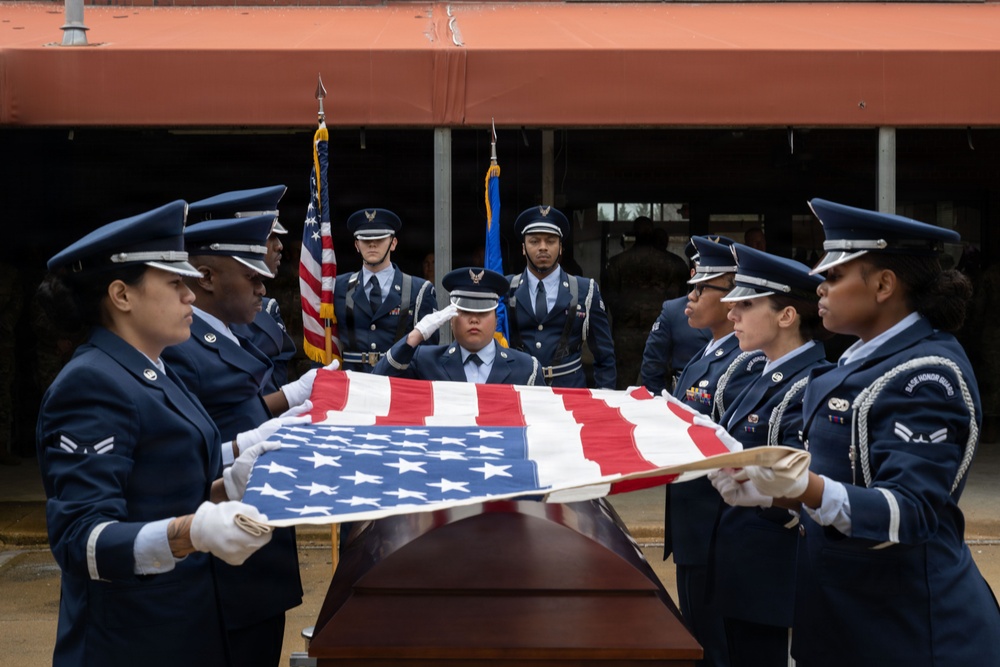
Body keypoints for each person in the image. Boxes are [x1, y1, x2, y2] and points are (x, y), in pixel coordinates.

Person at [735, 198, 1000, 666]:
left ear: (883, 285)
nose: (818, 283)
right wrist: (771, 491)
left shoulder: (925, 373)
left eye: (835, 276)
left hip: (906, 630)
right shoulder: (861, 360)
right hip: (847, 614)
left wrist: (809, 488)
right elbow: (841, 481)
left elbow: (914, 511)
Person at [35, 201, 276, 667]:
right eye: (174, 283)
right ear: (122, 295)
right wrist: (191, 531)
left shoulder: (154, 368)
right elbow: (80, 539)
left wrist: (226, 489)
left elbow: (157, 489)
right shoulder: (92, 383)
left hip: (184, 624)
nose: (190, 296)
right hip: (129, 642)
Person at [162, 214, 334, 667]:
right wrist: (249, 440)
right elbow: (182, 456)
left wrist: (285, 411)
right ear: (207, 277)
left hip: (254, 554)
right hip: (225, 560)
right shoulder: (182, 346)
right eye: (251, 275)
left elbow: (237, 408)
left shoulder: (227, 334)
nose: (263, 287)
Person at [706, 244, 830, 667]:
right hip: (746, 566)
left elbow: (803, 484)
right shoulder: (760, 370)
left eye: (746, 304)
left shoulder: (812, 383)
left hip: (776, 572)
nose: (732, 314)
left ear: (787, 316)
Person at [665, 235, 766, 667]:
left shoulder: (744, 362)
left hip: (714, 528)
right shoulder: (709, 351)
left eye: (702, 287)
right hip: (694, 524)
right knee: (702, 639)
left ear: (733, 299)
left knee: (717, 648)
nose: (690, 296)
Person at [188, 185, 298, 393]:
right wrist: (288, 398)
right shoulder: (212, 313)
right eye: (268, 235)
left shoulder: (264, 310)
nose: (279, 246)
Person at [506, 205, 616, 389]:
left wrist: (604, 396)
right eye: (534, 241)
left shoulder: (585, 290)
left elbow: (604, 355)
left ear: (561, 247)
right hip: (520, 390)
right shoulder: (506, 288)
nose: (543, 247)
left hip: (569, 392)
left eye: (550, 241)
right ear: (523, 248)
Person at [375, 267, 540, 384]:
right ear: (451, 318)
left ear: (496, 319)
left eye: (483, 312)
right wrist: (415, 335)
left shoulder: (526, 368)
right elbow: (378, 382)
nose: (474, 319)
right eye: (465, 311)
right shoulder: (425, 362)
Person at [334, 208, 438, 372]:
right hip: (352, 384)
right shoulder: (338, 287)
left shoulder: (418, 290)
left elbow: (427, 353)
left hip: (398, 384)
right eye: (365, 239)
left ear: (393, 243)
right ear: (356, 245)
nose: (372, 244)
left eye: (380, 238)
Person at [605, 216, 690, 389]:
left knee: (623, 384)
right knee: (659, 385)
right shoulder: (674, 263)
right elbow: (680, 298)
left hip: (627, 333)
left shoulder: (616, 263)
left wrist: (624, 316)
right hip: (660, 331)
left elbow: (609, 297)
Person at [640, 241, 712, 395]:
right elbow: (652, 365)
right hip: (687, 398)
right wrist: (661, 402)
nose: (708, 281)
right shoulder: (674, 311)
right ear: (693, 274)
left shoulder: (739, 314)